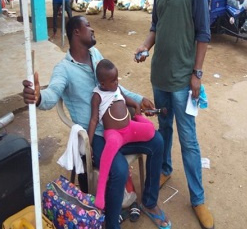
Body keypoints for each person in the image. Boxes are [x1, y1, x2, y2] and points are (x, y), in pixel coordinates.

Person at [23, 16, 170, 229]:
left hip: (121, 128)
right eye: (88, 26)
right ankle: (111, 225)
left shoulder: (95, 55)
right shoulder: (63, 69)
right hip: (99, 137)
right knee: (118, 170)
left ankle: (149, 202)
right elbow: (52, 94)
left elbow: (115, 87)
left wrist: (138, 99)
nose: (92, 29)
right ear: (76, 32)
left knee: (157, 142)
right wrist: (38, 97)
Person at [135, 0, 213, 229]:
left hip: (183, 81)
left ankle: (198, 199)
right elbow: (156, 25)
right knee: (163, 128)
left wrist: (197, 74)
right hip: (160, 78)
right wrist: (144, 46)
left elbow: (203, 34)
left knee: (189, 141)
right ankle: (165, 167)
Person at [87, 59, 156, 212]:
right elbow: (93, 120)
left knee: (151, 131)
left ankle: (139, 119)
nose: (116, 83)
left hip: (129, 128)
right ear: (103, 84)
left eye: (117, 79)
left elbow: (126, 98)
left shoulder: (117, 88)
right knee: (108, 154)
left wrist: (136, 105)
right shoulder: (97, 96)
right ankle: (100, 196)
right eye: (112, 81)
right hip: (114, 134)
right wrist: (89, 143)